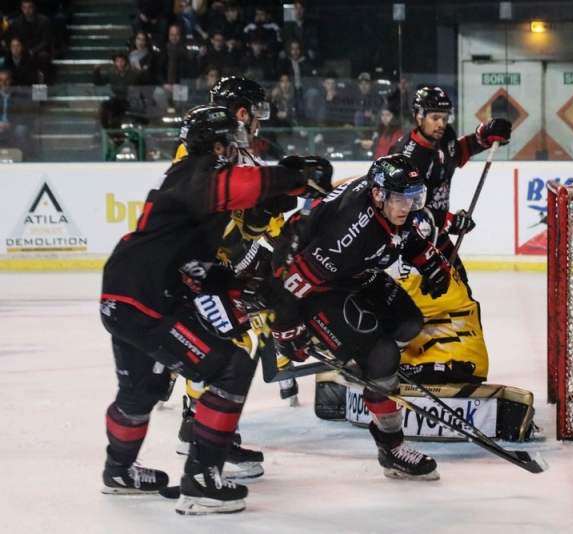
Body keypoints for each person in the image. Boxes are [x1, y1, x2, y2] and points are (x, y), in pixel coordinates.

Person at [99, 103, 332, 514]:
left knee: (142, 389)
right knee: (231, 366)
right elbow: (245, 185)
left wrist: (244, 284)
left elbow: (199, 264)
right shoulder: (199, 173)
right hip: (148, 297)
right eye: (232, 138)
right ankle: (201, 481)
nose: (237, 145)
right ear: (218, 142)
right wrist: (297, 176)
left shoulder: (186, 180)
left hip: (125, 292)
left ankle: (119, 471)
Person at [173, 77, 330, 478]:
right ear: (241, 113)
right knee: (226, 346)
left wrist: (284, 217)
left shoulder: (240, 155)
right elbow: (220, 221)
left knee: (232, 338)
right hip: (194, 271)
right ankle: (205, 437)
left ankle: (197, 426)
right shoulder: (203, 152)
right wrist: (267, 209)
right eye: (254, 115)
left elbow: (255, 214)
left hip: (212, 269)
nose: (257, 125)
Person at [266, 154, 450, 480]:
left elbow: (404, 234)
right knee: (382, 354)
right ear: (379, 195)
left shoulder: (389, 202)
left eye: (412, 198)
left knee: (409, 322)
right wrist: (285, 330)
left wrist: (428, 259)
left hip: (354, 272)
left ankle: (370, 371)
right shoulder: (349, 233)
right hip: (314, 285)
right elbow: (289, 283)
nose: (407, 206)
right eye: (400, 199)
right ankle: (391, 447)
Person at [386, 86, 511, 385]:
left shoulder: (444, 139)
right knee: (412, 305)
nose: (440, 124)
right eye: (434, 118)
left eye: (444, 117)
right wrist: (451, 220)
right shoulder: (408, 157)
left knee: (460, 293)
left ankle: (448, 356)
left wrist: (484, 135)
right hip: (409, 245)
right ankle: (391, 359)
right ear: (418, 116)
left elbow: (458, 151)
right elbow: (401, 211)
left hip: (436, 237)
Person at [0, 68, 32, 157]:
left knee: (20, 130)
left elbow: (23, 115)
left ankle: (23, 158)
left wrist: (10, 124)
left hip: (13, 125)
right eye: (1, 80)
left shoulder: (18, 95)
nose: (4, 83)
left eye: (6, 80)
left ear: (10, 81)